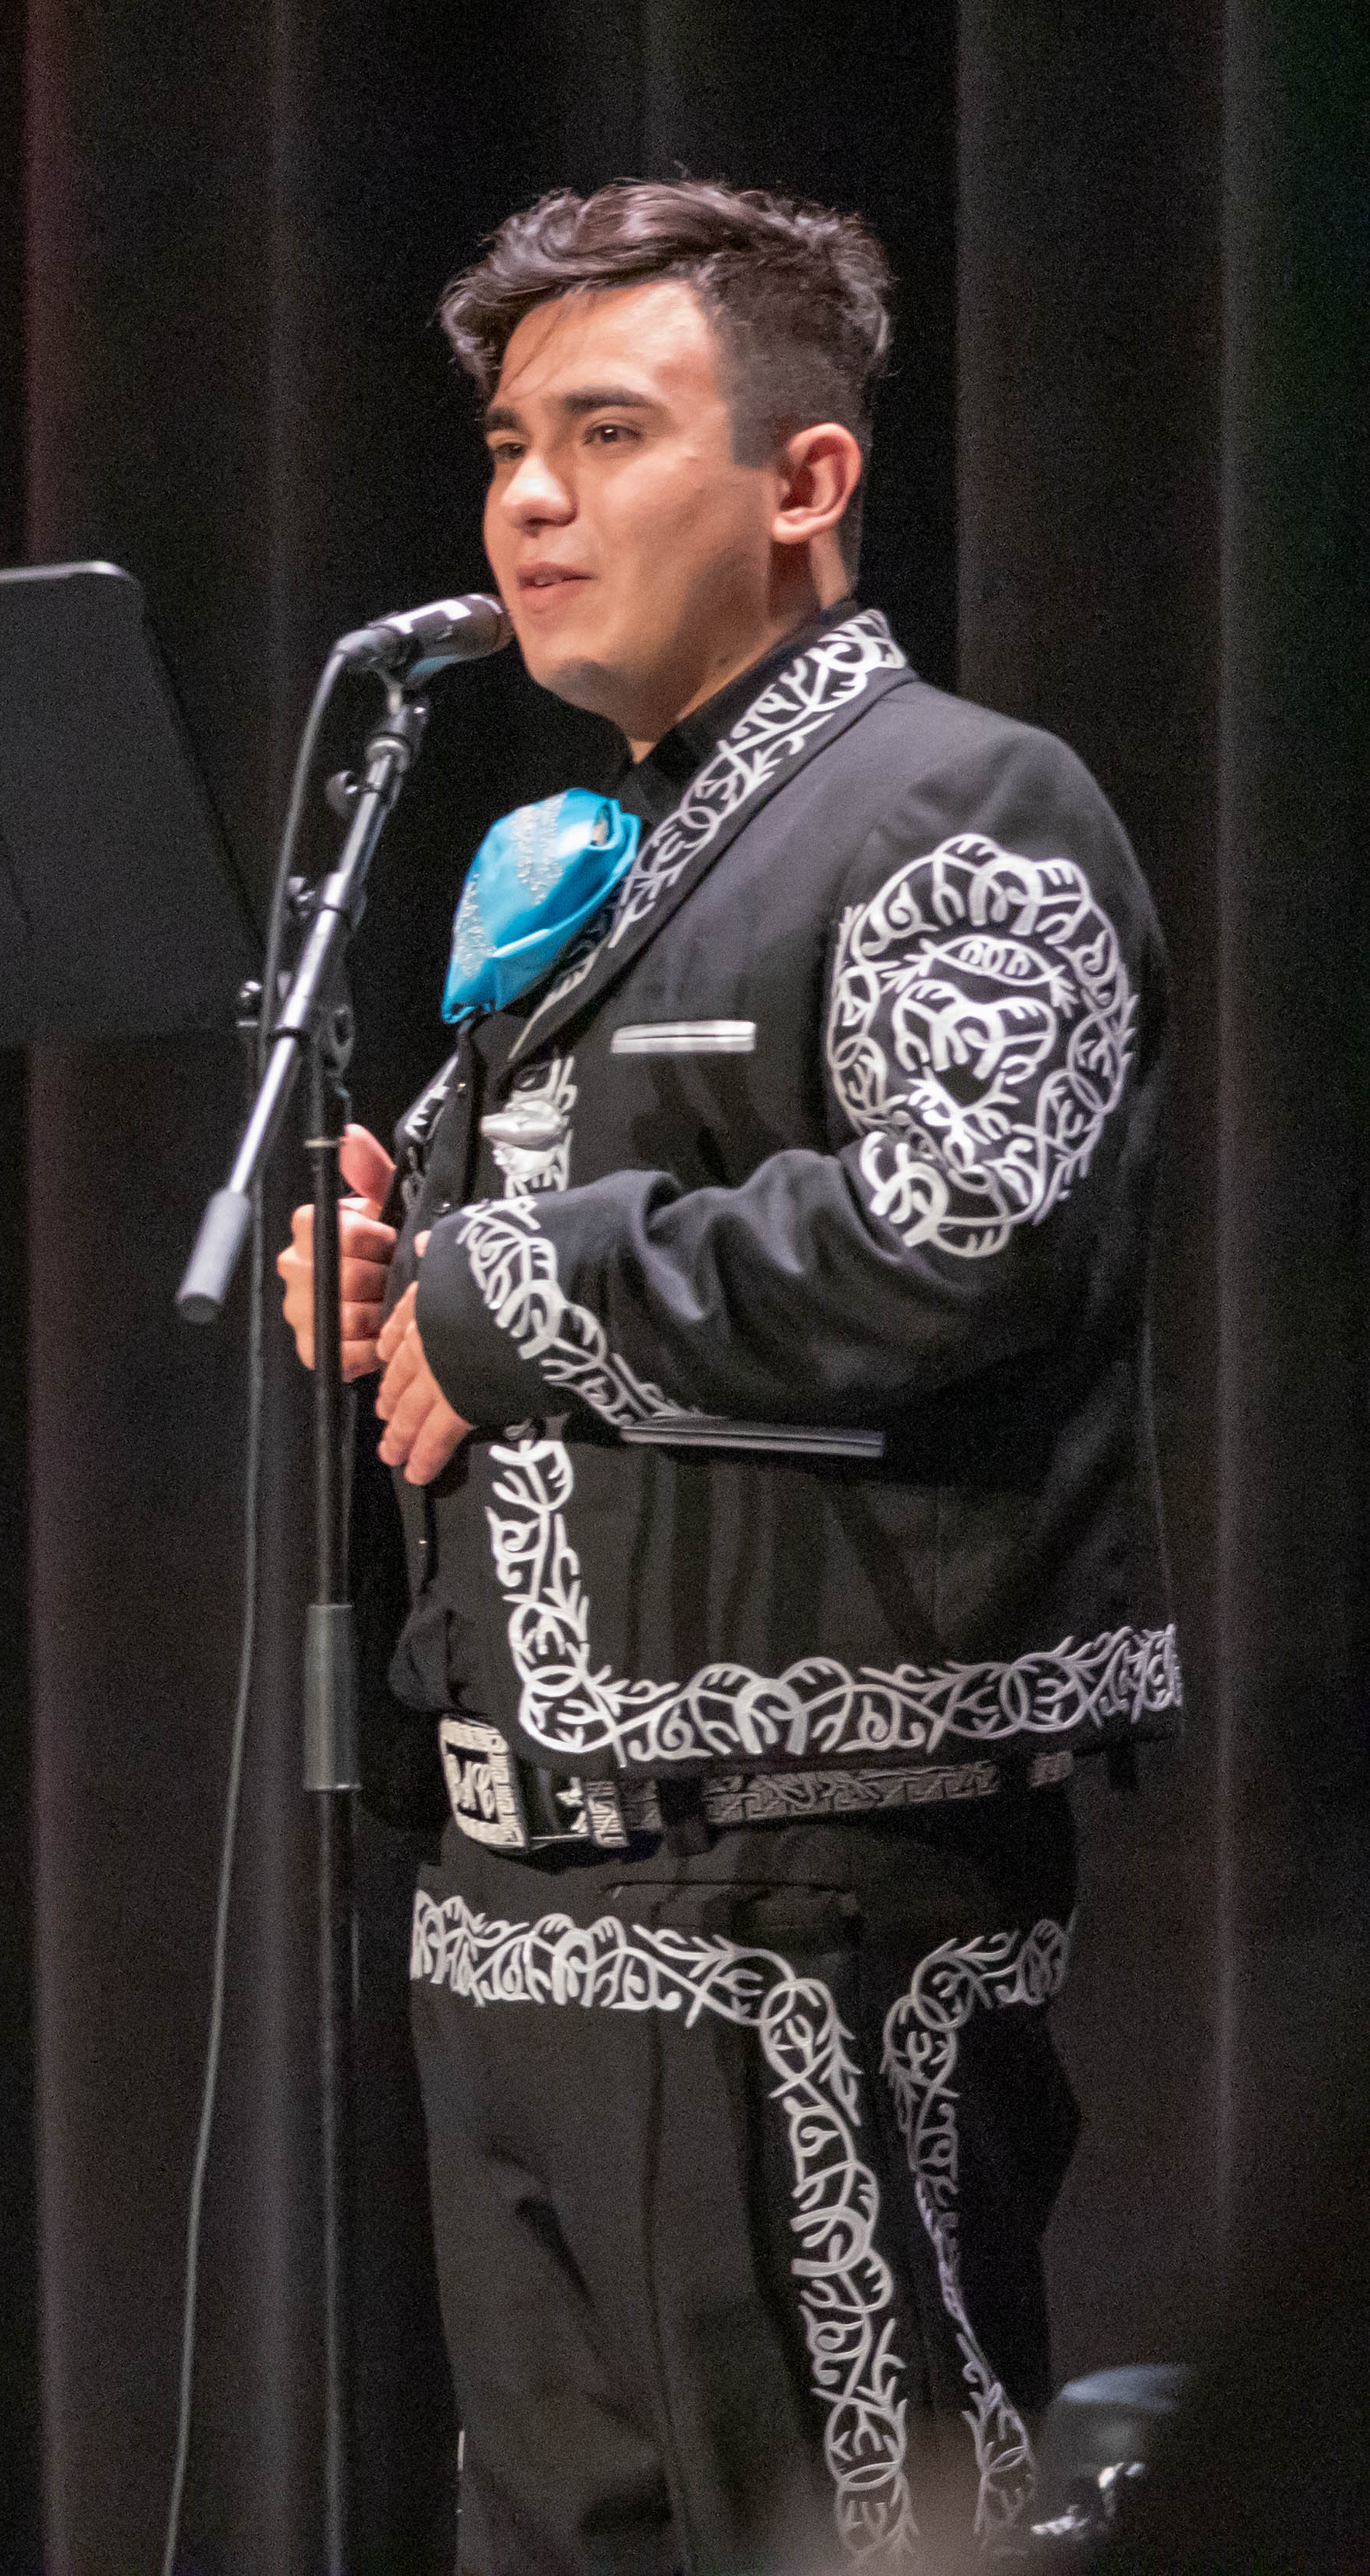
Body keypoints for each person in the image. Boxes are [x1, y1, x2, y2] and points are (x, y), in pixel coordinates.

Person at [275, 182, 1173, 2573]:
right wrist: (399, 1295)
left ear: (805, 480)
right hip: (520, 1890)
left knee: (848, 2537)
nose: (530, 502)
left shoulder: (957, 803)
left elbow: (965, 1228)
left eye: (607, 433)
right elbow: (547, 1309)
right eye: (506, 447)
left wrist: (511, 1287)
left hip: (804, 1885)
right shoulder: (609, 850)